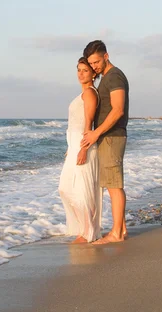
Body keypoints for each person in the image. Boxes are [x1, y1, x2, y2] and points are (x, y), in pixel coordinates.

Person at [80, 40, 129, 244]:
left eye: (96, 62)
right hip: (108, 137)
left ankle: (116, 234)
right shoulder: (107, 78)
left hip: (112, 137)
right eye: (91, 64)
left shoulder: (114, 76)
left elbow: (118, 110)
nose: (94, 67)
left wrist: (95, 133)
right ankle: (122, 229)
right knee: (112, 183)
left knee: (114, 186)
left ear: (106, 56)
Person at [59, 57, 102, 243]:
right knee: (65, 189)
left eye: (85, 70)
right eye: (78, 70)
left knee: (81, 190)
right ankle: (84, 230)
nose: (81, 73)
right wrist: (71, 147)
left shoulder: (90, 93)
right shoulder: (83, 94)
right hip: (75, 145)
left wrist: (83, 149)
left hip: (83, 145)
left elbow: (88, 124)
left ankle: (88, 232)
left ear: (94, 73)